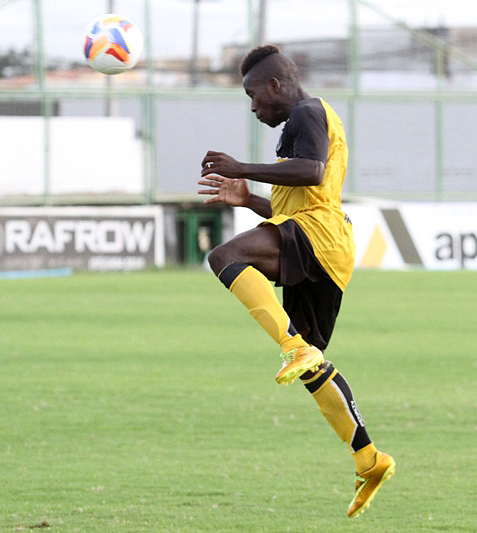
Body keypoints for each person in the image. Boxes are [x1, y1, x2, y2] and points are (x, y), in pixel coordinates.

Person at [197, 44, 394, 518]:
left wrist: (241, 167)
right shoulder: (301, 123)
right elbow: (294, 202)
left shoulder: (307, 111)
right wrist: (248, 200)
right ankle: (369, 457)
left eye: (253, 95)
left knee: (224, 256)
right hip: (323, 243)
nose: (252, 106)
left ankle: (292, 344)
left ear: (275, 86)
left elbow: (312, 172)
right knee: (313, 367)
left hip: (319, 236)